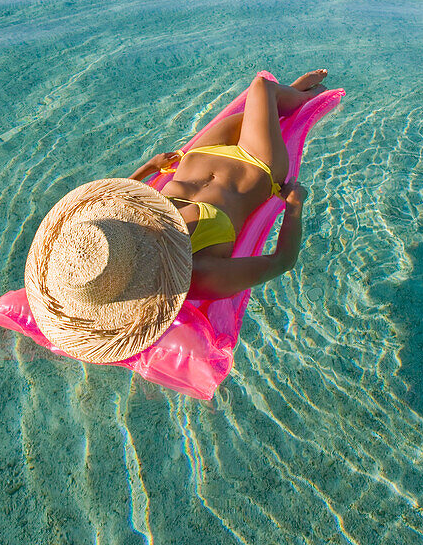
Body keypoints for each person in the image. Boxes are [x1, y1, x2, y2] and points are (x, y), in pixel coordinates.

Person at [22, 71, 327, 365]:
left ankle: (292, 96)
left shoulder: (123, 229)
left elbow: (118, 195)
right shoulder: (197, 274)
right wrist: (294, 207)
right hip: (255, 163)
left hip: (201, 154)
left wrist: (148, 168)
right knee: (261, 88)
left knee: (260, 108)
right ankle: (300, 97)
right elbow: (282, 262)